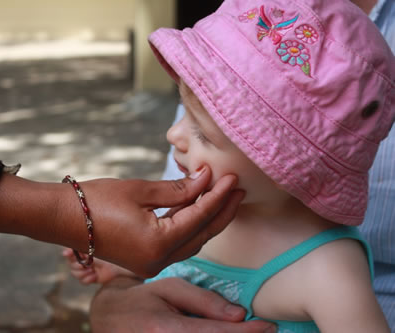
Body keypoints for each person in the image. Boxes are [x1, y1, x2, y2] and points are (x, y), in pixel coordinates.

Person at [67, 0, 395, 331]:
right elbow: (174, 268)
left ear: (289, 168)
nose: (173, 134)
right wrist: (122, 268)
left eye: (204, 135)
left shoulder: (326, 269)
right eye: (184, 109)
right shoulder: (199, 209)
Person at [0, 121, 245, 332]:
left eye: (205, 130)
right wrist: (116, 292)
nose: (173, 132)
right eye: (185, 109)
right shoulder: (197, 170)